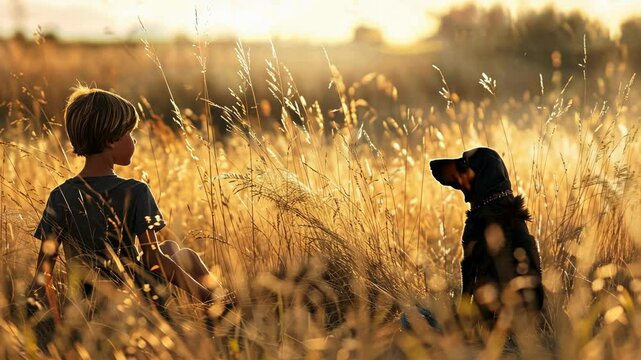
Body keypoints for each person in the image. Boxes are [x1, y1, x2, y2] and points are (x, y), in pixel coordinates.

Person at [28, 86, 214, 318]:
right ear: (111, 140)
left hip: (86, 305)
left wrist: (34, 311)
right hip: (132, 298)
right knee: (186, 256)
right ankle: (222, 306)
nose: (134, 140)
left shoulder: (60, 194)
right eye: (130, 134)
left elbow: (44, 267)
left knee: (171, 249)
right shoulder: (135, 191)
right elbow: (152, 259)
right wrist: (205, 295)